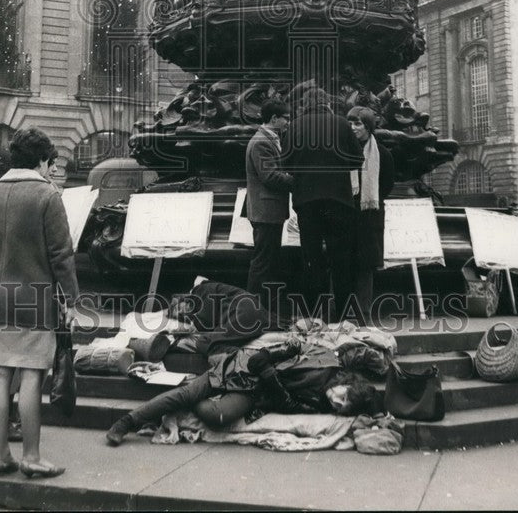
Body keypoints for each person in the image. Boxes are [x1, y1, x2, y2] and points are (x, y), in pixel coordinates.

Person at [0, 128, 78, 478]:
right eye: (50, 163)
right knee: (32, 376)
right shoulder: (47, 195)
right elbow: (61, 254)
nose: (51, 171)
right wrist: (72, 301)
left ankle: (2, 455)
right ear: (41, 160)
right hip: (33, 301)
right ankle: (31, 456)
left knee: (0, 374)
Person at [105, 337, 379, 446]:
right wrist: (277, 361)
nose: (336, 400)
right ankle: (126, 422)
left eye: (341, 406)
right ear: (347, 381)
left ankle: (195, 394)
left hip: (253, 394)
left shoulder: (317, 405)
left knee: (217, 417)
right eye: (343, 394)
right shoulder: (324, 358)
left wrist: (270, 378)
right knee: (186, 395)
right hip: (238, 367)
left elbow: (286, 404)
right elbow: (269, 356)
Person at [283, 88, 363, 322]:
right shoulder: (340, 124)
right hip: (339, 201)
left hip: (307, 202)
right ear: (326, 103)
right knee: (341, 260)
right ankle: (342, 316)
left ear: (305, 104)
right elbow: (358, 160)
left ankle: (313, 315)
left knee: (312, 258)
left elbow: (285, 162)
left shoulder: (295, 125)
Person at [347, 107, 395, 320]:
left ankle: (363, 314)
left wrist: (369, 199)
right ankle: (342, 313)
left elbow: (387, 184)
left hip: (369, 217)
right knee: (343, 263)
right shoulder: (344, 151)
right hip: (347, 215)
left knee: (365, 268)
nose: (353, 128)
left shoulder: (382, 154)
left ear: (368, 126)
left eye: (357, 124)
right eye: (350, 123)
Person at [244, 99, 293, 306]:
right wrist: (300, 181)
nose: (288, 122)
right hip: (266, 212)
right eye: (286, 118)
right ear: (274, 118)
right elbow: (270, 176)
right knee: (262, 263)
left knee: (267, 261)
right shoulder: (261, 142)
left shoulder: (269, 138)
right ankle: (252, 307)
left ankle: (262, 308)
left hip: (268, 211)